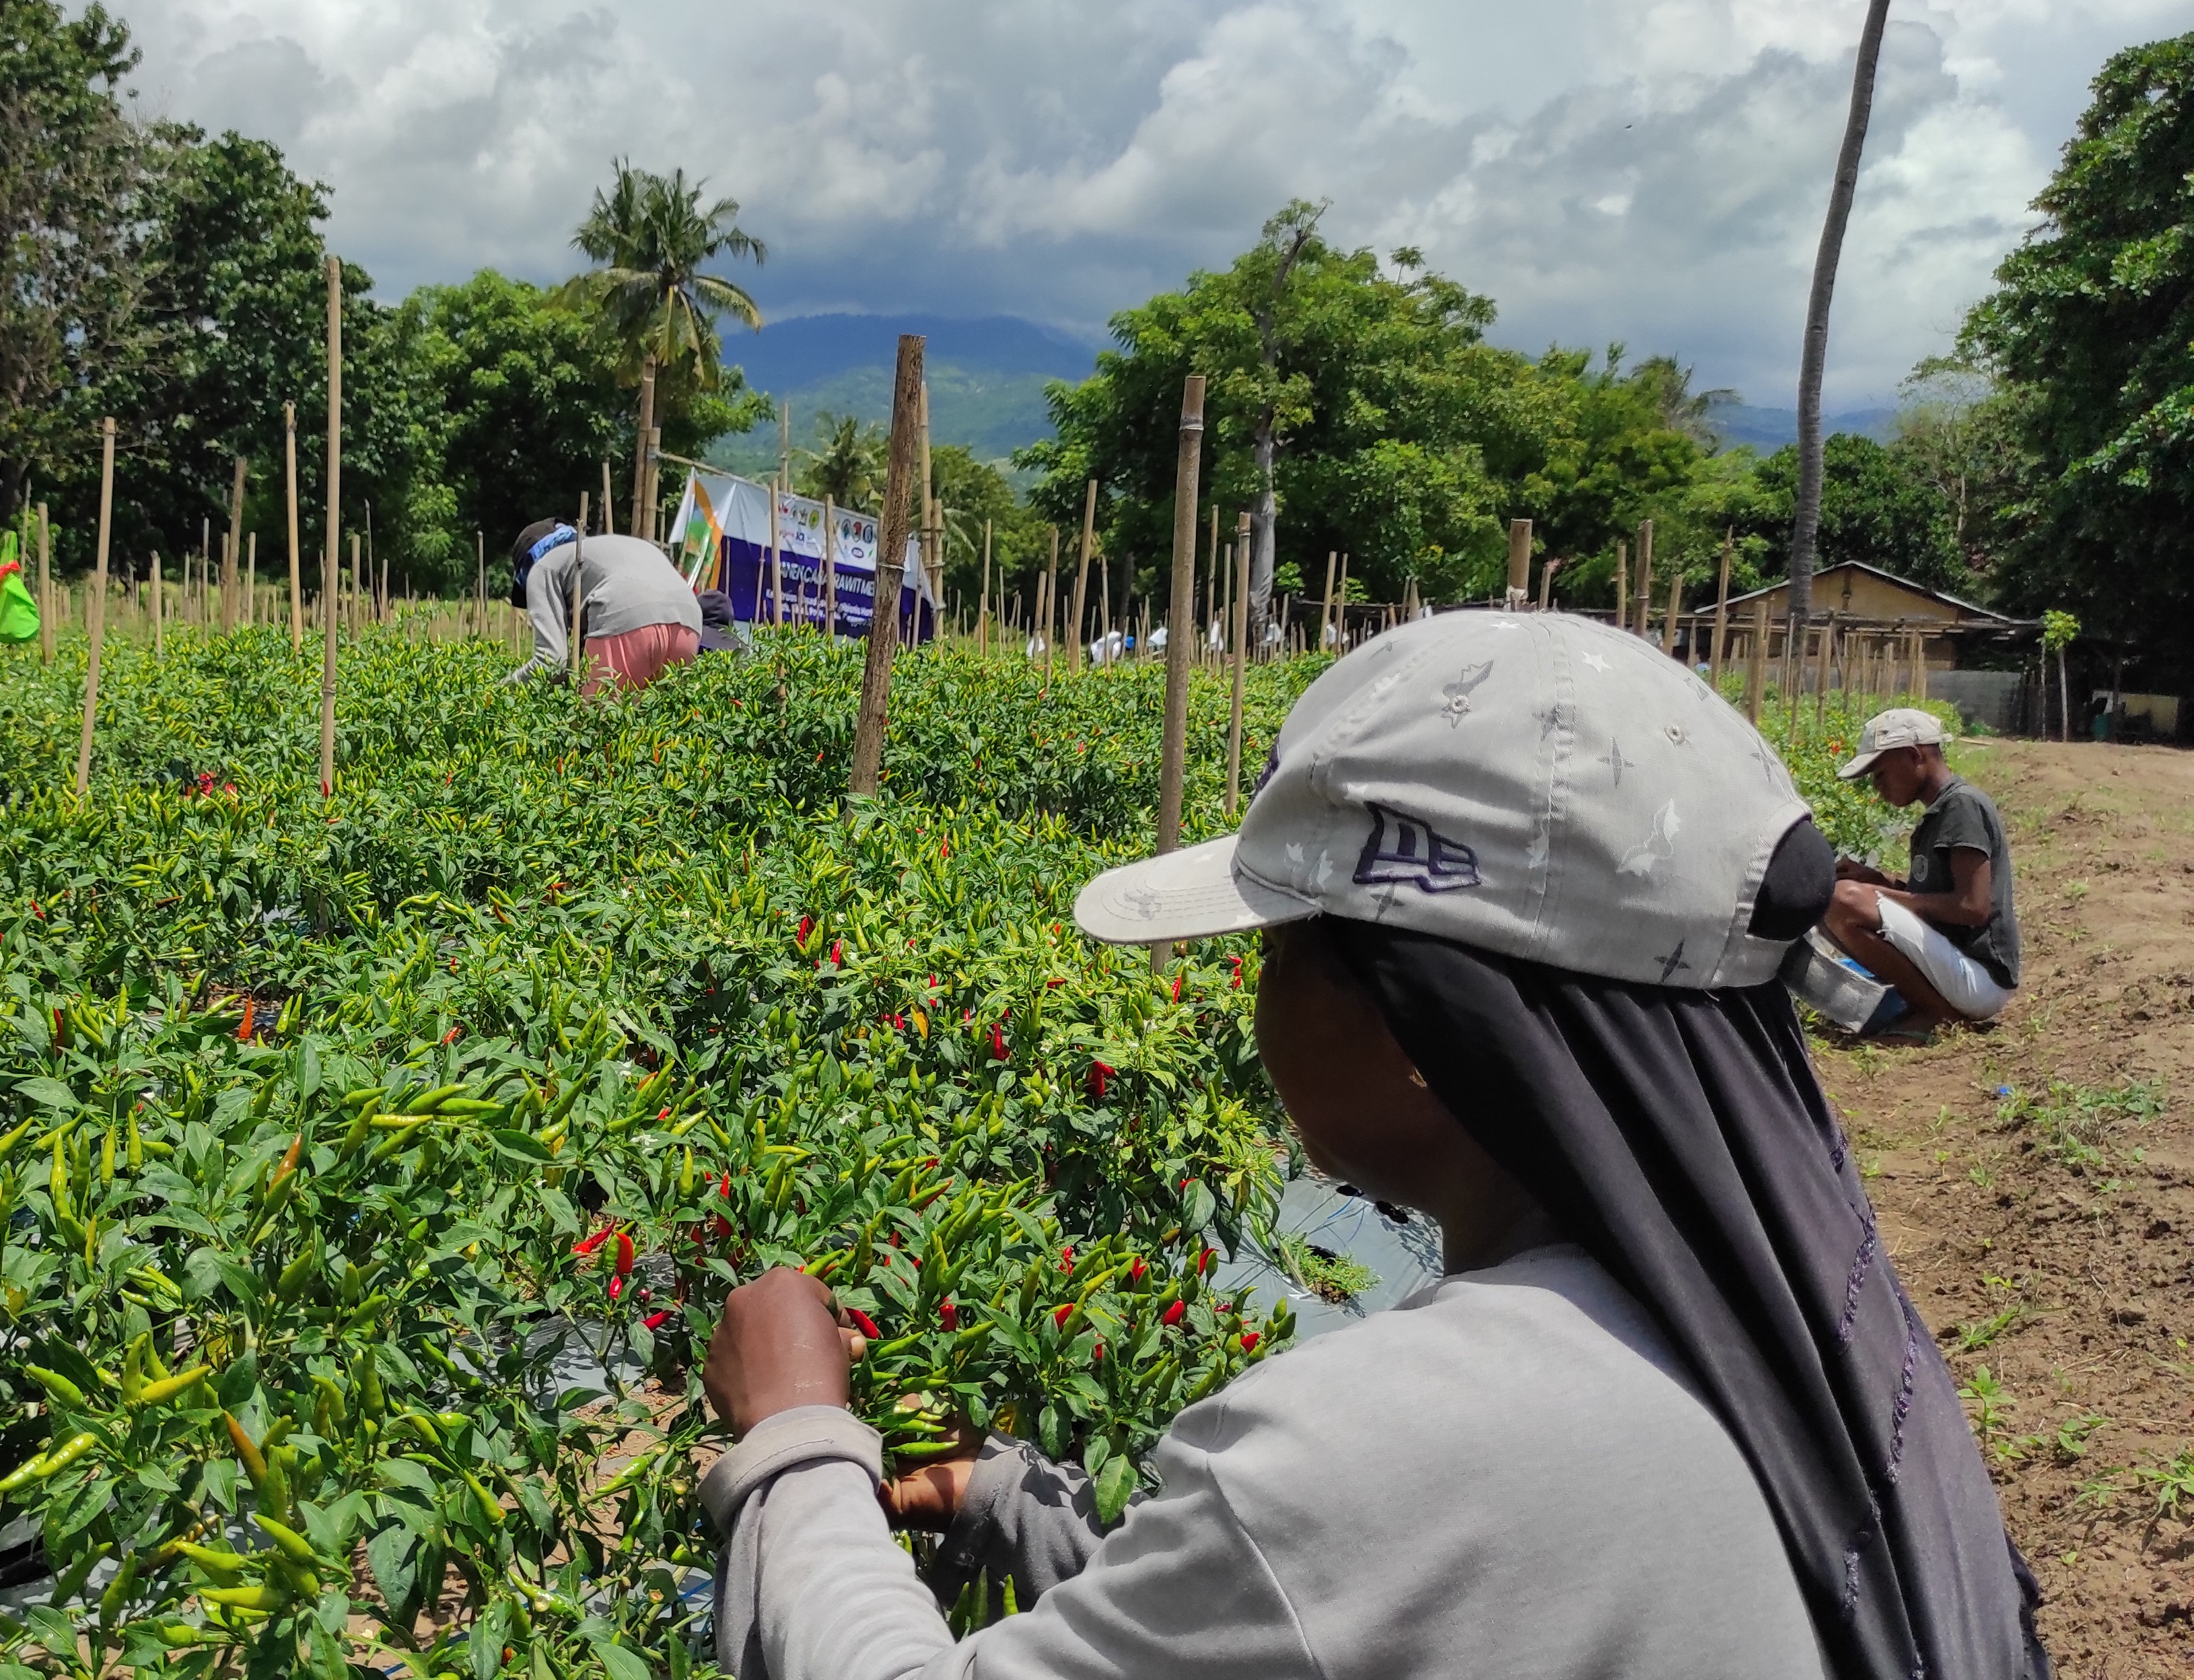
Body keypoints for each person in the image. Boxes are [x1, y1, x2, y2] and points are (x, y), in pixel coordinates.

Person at [696, 613, 2045, 1680]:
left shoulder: (1402, 1436)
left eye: (1280, 950)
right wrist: (1009, 1503)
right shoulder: (1796, 1321)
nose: (1254, 995)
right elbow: (1348, 1612)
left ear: (1417, 1022)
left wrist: (797, 1438)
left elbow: (1351, 1532)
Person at [1826, 707, 2019, 1032]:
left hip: (1981, 977)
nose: (1878, 787)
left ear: (1913, 756)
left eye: (1880, 774)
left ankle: (1938, 1015)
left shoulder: (1962, 806)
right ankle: (1927, 1005)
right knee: (1826, 898)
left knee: (1844, 899)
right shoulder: (1941, 811)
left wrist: (1878, 893)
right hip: (1958, 965)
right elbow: (1934, 899)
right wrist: (1879, 881)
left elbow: (1973, 909)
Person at [505, 518, 705, 693]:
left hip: (626, 619)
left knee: (596, 728)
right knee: (657, 729)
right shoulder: (613, 548)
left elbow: (551, 662)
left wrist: (498, 692)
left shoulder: (542, 568)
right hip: (689, 623)